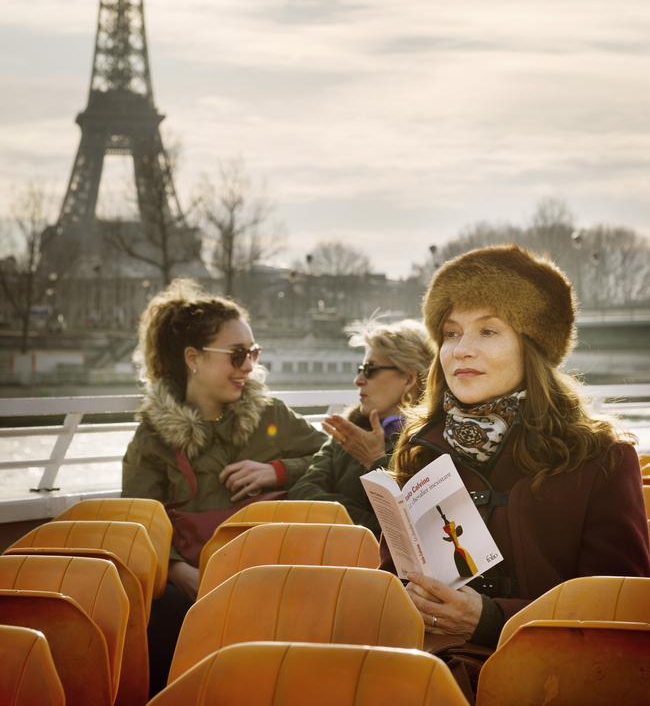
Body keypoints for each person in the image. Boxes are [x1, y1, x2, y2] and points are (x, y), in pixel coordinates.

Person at [386, 245, 650, 696]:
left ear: (532, 347)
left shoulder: (600, 457)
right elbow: (392, 585)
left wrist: (491, 619)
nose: (461, 350)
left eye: (488, 331)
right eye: (451, 333)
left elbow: (618, 615)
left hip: (552, 682)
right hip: (424, 666)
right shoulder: (420, 449)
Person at [122, 278, 325, 692]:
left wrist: (279, 471)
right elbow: (140, 523)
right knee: (164, 616)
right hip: (191, 585)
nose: (248, 366)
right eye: (236, 355)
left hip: (272, 574)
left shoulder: (272, 415)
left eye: (253, 353)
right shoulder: (152, 439)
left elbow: (332, 458)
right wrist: (180, 571)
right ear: (193, 358)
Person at [288, 317, 434, 534]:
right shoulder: (350, 430)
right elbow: (302, 493)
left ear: (409, 379)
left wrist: (375, 460)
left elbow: (417, 526)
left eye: (370, 369)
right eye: (360, 368)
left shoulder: (430, 441)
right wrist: (364, 520)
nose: (358, 380)